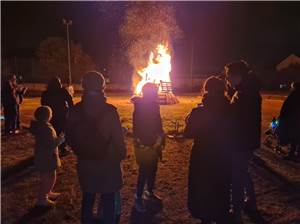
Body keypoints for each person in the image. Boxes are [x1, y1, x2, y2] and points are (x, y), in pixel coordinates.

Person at [66, 71, 126, 224]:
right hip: (108, 162)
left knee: (88, 197)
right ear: (102, 86)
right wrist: (120, 155)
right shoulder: (110, 111)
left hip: (85, 162)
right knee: (108, 199)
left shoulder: (75, 110)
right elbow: (118, 139)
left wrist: (81, 151)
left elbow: (69, 137)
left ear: (84, 86)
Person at [184, 76, 232, 224]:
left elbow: (188, 133)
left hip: (202, 156)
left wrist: (188, 120)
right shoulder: (230, 110)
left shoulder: (198, 112)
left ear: (206, 90)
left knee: (202, 186)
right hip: (223, 155)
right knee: (221, 186)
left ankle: (205, 216)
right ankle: (220, 214)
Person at [225, 60, 262, 223]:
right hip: (247, 140)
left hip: (241, 141)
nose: (228, 80)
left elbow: (238, 119)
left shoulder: (244, 93)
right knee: (243, 172)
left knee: (237, 176)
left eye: (229, 76)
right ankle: (251, 203)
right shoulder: (248, 90)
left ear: (237, 75)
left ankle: (237, 211)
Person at [131, 83, 165, 213]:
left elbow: (158, 123)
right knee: (144, 171)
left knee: (153, 169)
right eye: (155, 92)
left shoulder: (154, 106)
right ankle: (138, 197)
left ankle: (149, 192)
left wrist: (161, 137)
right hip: (145, 145)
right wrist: (144, 142)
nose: (157, 94)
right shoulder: (140, 107)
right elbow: (137, 127)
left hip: (154, 143)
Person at [30, 106, 64, 207]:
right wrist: (60, 139)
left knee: (50, 176)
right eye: (50, 114)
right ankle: (42, 199)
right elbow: (51, 144)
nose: (52, 115)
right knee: (47, 178)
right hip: (46, 157)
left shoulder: (42, 126)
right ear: (46, 116)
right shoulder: (45, 128)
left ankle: (48, 192)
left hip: (45, 156)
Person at [41, 77, 73, 155]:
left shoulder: (46, 93)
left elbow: (43, 103)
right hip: (62, 114)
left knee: (53, 130)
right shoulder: (62, 91)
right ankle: (63, 147)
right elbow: (69, 100)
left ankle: (54, 147)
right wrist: (71, 110)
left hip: (51, 114)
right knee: (62, 131)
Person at [278, 81, 300, 161]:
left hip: (293, 120)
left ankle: (291, 154)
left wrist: (282, 116)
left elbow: (286, 107)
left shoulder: (293, 95)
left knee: (294, 137)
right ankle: (298, 155)